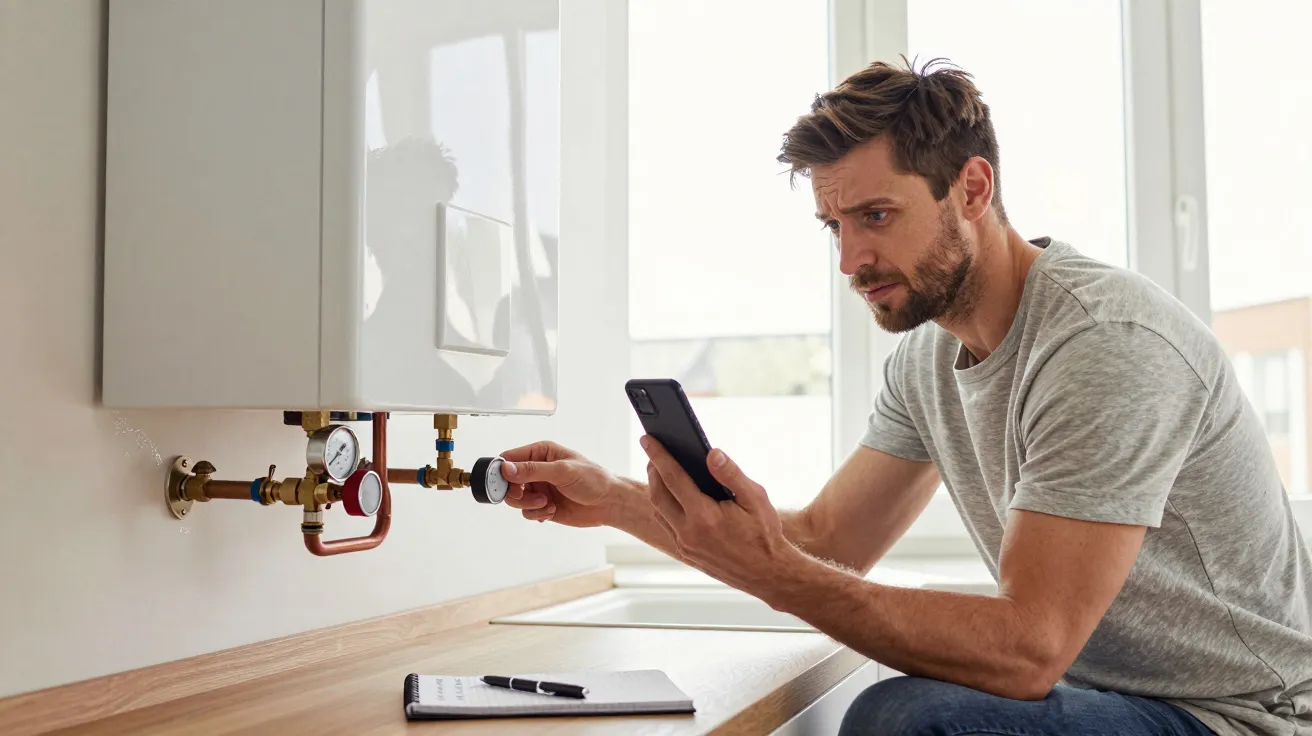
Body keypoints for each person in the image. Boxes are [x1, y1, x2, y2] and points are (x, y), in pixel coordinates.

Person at [497, 59, 1312, 736]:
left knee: (907, 720)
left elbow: (1029, 649)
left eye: (876, 215)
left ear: (971, 187)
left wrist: (778, 575)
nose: (851, 259)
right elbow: (828, 539)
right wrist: (614, 501)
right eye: (834, 226)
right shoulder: (927, 358)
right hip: (1104, 693)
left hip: (1237, 715)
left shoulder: (1105, 344)